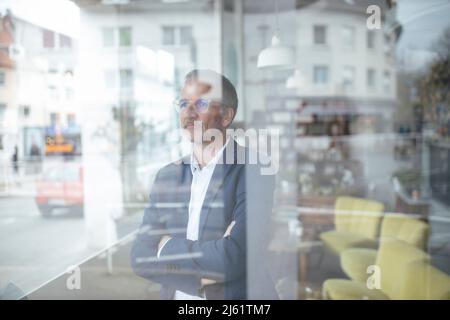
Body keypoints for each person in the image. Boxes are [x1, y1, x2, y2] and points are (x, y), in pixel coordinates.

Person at [131, 70, 277, 300]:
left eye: (200, 103)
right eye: (182, 103)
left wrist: (165, 248)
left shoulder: (254, 169)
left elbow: (232, 258)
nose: (188, 113)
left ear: (226, 116)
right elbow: (140, 257)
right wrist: (204, 276)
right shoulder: (167, 176)